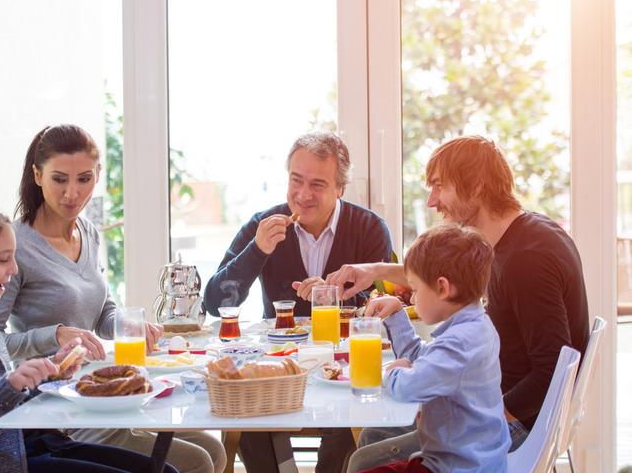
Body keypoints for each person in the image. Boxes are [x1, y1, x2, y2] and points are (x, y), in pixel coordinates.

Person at [330, 135, 589, 471]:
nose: (432, 201)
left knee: (368, 455)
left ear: (477, 186)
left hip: (516, 421)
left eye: (439, 186)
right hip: (504, 402)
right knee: (376, 433)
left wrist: (483, 416)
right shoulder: (521, 236)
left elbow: (549, 371)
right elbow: (450, 281)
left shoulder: (528, 261)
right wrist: (378, 270)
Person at [0, 124, 226, 473]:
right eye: (59, 179)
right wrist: (52, 335)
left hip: (102, 392)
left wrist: (132, 326)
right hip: (60, 412)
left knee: (213, 451)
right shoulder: (18, 246)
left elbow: (103, 313)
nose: (72, 193)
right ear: (37, 175)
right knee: (198, 463)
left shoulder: (89, 232)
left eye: (84, 179)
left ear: (98, 175)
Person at [0, 201, 177, 473]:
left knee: (164, 470)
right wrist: (9, 386)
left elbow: (2, 402)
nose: (14, 270)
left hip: (30, 447)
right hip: (6, 464)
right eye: (3, 260)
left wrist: (49, 372)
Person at [203, 132, 393, 473]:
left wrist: (331, 296)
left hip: (343, 365)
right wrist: (257, 251)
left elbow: (376, 307)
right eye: (296, 180)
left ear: (340, 189)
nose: (303, 195)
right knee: (246, 409)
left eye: (318, 184)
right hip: (278, 363)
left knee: (350, 417)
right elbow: (216, 303)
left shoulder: (369, 228)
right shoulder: (263, 225)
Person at [350, 224, 510, 473]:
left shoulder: (460, 343)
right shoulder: (473, 326)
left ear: (443, 288)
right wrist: (396, 315)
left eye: (415, 290)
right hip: (466, 460)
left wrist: (393, 371)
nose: (412, 299)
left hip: (458, 467)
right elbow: (424, 358)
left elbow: (407, 388)